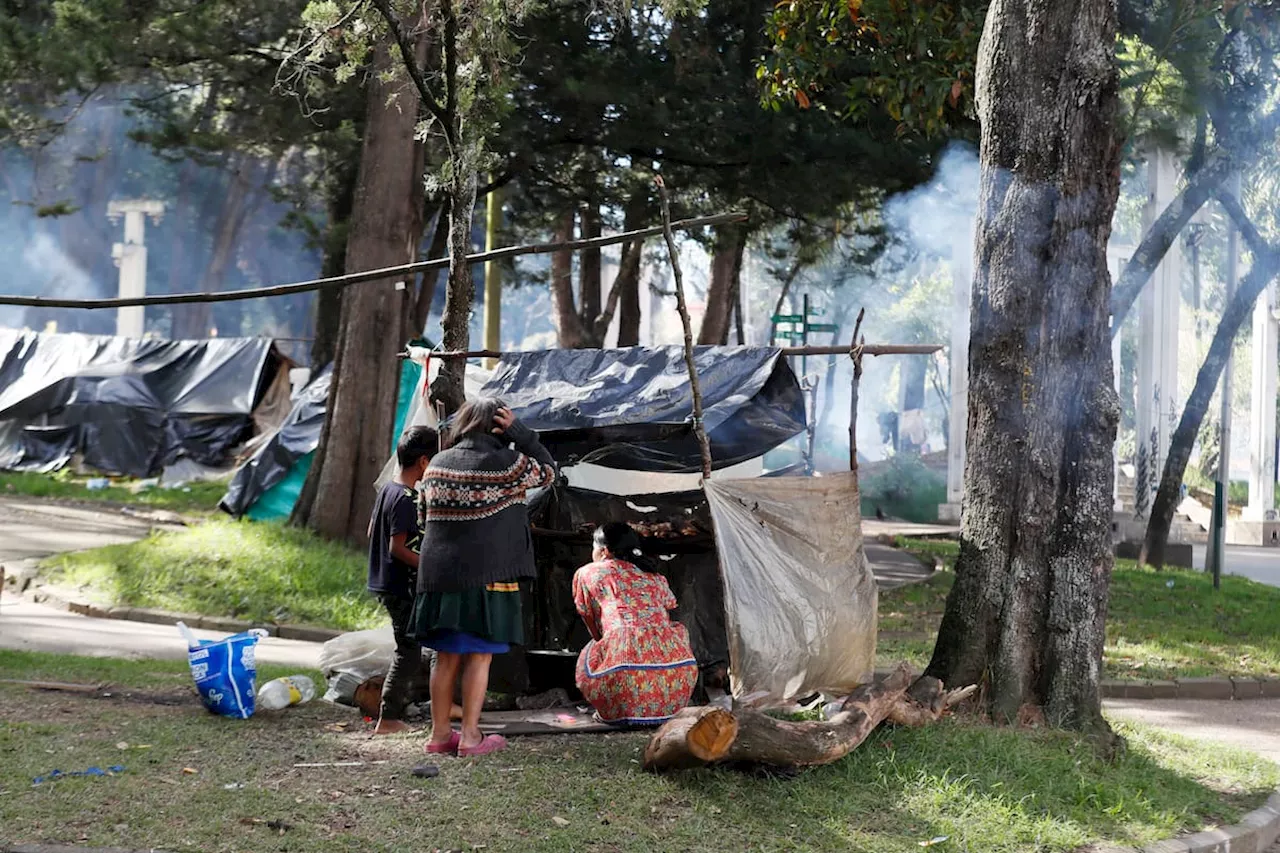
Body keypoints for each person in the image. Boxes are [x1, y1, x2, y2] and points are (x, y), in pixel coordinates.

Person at [411, 397, 557, 758]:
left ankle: (439, 734)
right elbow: (550, 473)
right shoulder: (508, 464)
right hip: (488, 577)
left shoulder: (437, 465)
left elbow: (422, 518)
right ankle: (471, 736)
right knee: (479, 657)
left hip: (438, 576)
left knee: (444, 657)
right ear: (499, 426)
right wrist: (521, 433)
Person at [572, 522, 697, 726]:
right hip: (678, 678)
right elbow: (667, 608)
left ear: (603, 551)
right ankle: (661, 709)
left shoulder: (589, 572)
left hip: (625, 677)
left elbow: (588, 617)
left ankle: (616, 710)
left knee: (591, 651)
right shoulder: (654, 576)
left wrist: (604, 645)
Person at [366, 425, 437, 736]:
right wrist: (427, 567)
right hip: (400, 585)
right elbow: (397, 547)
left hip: (385, 582)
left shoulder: (387, 491)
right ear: (423, 462)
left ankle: (394, 712)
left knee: (408, 647)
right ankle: (389, 717)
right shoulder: (406, 498)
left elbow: (372, 532)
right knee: (407, 651)